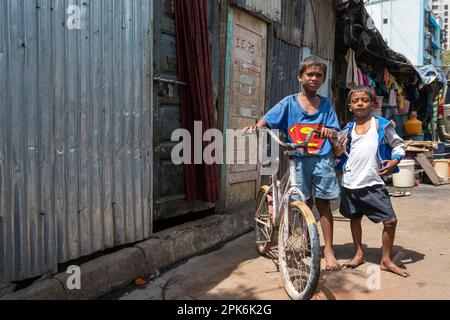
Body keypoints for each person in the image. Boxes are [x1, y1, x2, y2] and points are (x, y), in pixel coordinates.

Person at [244, 56, 342, 271]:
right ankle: (306, 242)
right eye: (309, 74)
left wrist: (329, 132)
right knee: (303, 202)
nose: (314, 78)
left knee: (324, 205)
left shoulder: (326, 105)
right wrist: (256, 126)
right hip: (298, 159)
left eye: (318, 75)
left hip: (322, 158)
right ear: (300, 77)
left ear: (323, 79)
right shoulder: (289, 102)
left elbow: (335, 130)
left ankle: (328, 250)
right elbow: (268, 119)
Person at [334, 85, 410, 277]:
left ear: (372, 103)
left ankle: (386, 259)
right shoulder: (347, 129)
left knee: (390, 220)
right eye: (355, 101)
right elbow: (339, 155)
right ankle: (358, 253)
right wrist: (337, 151)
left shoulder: (381, 124)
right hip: (350, 182)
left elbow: (398, 144)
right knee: (354, 217)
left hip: (372, 182)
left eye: (364, 100)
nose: (360, 103)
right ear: (350, 106)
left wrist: (395, 160)